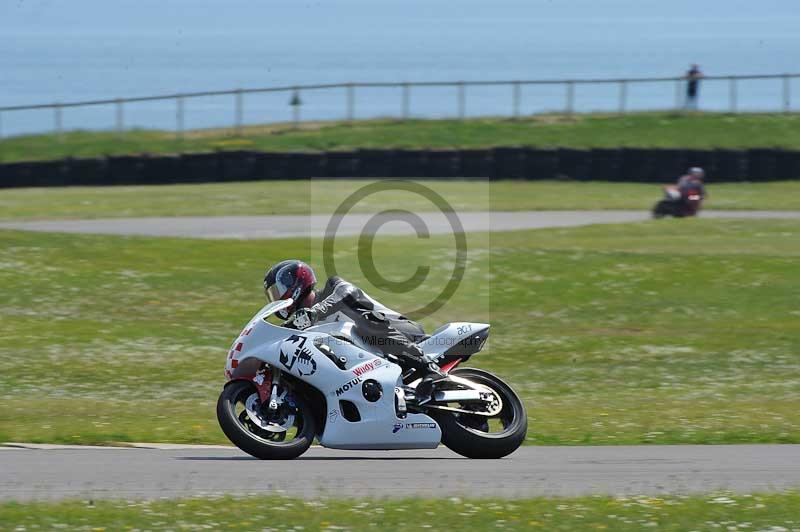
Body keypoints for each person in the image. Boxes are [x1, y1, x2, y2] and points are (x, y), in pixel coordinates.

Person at [263, 259, 432, 374]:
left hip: (405, 333)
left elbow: (346, 293)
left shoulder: (333, 287)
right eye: (272, 296)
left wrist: (315, 313)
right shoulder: (304, 327)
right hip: (374, 364)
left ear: (294, 283)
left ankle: (429, 369)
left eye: (277, 292)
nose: (277, 299)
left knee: (363, 321)